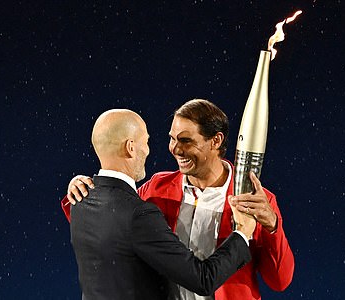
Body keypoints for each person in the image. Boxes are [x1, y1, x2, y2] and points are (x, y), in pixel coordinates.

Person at [63, 100, 295, 299]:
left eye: (186, 141)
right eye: (172, 138)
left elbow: (280, 281)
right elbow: (113, 225)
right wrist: (82, 191)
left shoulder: (256, 201)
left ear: (216, 141)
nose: (175, 149)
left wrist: (273, 227)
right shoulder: (157, 188)